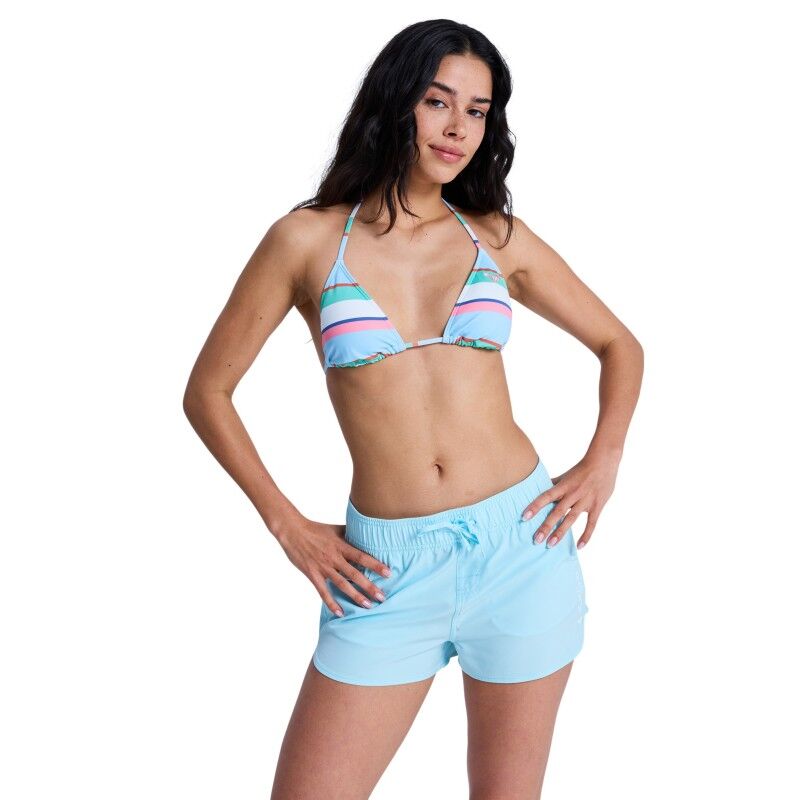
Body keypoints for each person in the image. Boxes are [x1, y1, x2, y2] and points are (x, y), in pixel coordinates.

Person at [183, 18, 643, 800]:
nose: (458, 127)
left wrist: (603, 460)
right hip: (383, 574)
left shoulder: (495, 236)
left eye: (478, 110)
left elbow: (618, 344)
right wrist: (287, 524)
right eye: (439, 101)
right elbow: (208, 392)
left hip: (522, 548)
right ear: (396, 102)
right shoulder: (305, 241)